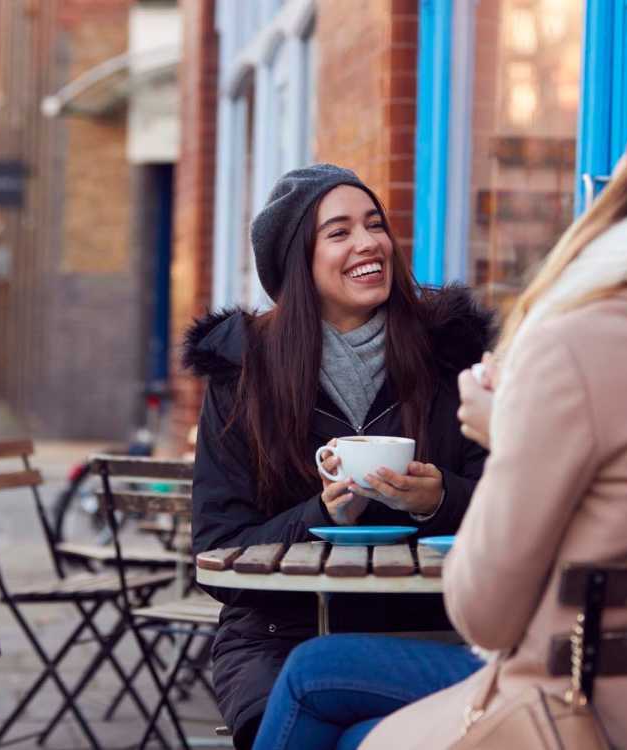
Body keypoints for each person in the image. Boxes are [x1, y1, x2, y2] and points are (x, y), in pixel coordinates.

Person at [253, 50, 627, 750]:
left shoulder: (579, 340)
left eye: (371, 223)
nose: (368, 242)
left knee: (326, 699)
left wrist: (513, 437)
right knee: (328, 690)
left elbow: (485, 616)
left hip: (581, 718)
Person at [184, 164, 492, 750]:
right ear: (298, 262)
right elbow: (216, 548)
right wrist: (322, 516)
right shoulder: (242, 372)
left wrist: (440, 498)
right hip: (280, 633)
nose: (368, 242)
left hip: (430, 627)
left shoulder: (449, 353)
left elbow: (512, 501)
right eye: (340, 232)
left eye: (375, 225)